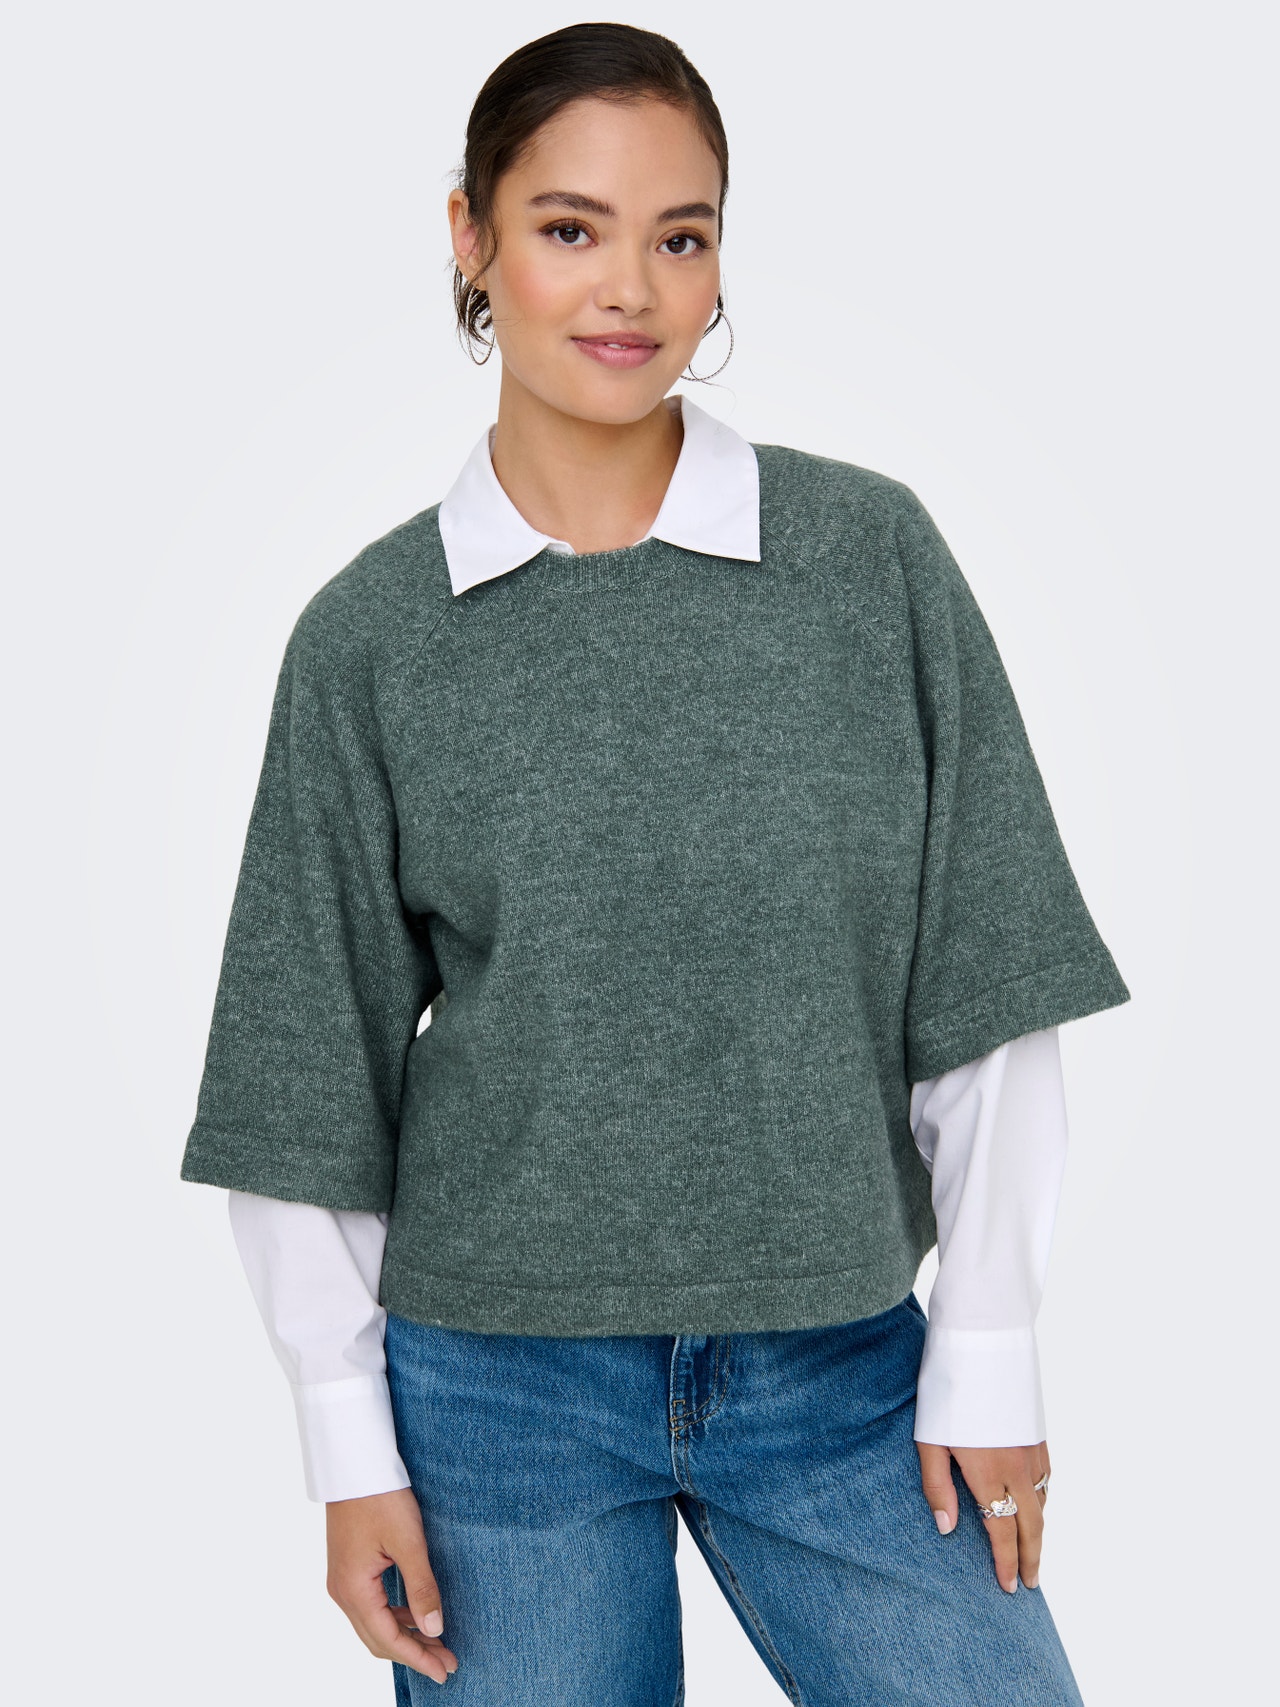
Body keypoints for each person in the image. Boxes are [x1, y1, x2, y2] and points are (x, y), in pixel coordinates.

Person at [179, 22, 1130, 1704]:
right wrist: (345, 1439)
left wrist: (986, 1349)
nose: (630, 288)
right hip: (496, 1396)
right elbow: (303, 1075)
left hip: (842, 1370)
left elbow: (984, 981)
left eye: (680, 237)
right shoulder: (373, 641)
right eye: (570, 228)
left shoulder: (868, 562)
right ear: (470, 237)